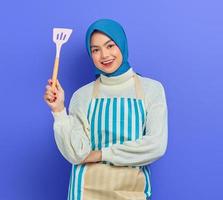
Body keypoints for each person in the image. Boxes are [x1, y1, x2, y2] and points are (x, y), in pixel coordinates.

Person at [44, 19, 168, 200]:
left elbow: (155, 146)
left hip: (130, 191)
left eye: (110, 46)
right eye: (95, 49)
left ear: (122, 45)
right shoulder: (82, 95)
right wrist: (59, 111)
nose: (104, 55)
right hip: (84, 192)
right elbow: (76, 153)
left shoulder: (152, 89)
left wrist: (101, 154)